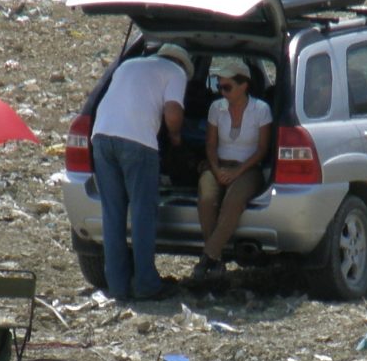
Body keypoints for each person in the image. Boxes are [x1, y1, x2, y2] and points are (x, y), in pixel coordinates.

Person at [91, 42, 192, 302]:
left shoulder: (128, 64)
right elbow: (173, 115)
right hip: (138, 142)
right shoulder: (176, 72)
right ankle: (146, 284)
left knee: (112, 213)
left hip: (101, 136)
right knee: (142, 212)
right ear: (182, 63)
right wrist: (176, 138)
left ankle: (118, 286)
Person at [192, 56, 272, 284]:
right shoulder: (216, 108)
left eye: (227, 87)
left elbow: (262, 149)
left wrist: (238, 172)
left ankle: (208, 257)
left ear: (244, 85)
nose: (222, 91)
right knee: (206, 199)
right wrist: (216, 169)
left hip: (248, 168)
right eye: (219, 87)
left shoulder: (261, 110)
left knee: (233, 202)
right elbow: (210, 144)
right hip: (219, 164)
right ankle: (215, 259)